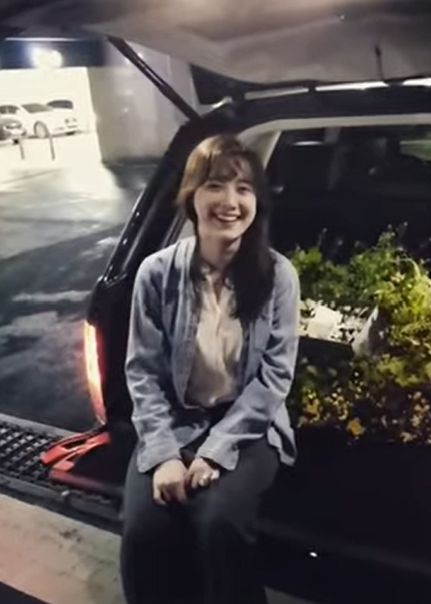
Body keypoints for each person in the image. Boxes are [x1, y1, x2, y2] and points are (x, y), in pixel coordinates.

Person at [120, 134, 301, 604]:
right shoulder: (156, 273)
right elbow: (143, 372)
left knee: (220, 524)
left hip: (248, 427)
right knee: (143, 529)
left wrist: (216, 452)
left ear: (257, 200)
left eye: (244, 188)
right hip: (175, 421)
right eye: (215, 185)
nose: (230, 201)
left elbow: (274, 378)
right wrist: (164, 455)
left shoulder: (278, 275)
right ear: (192, 195)